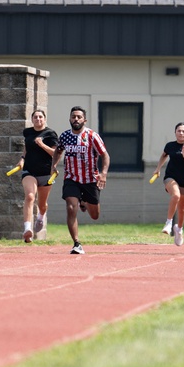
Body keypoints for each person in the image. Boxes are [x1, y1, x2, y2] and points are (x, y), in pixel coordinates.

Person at [51, 106, 109, 255]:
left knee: (95, 215)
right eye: (73, 117)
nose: (76, 119)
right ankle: (77, 243)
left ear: (84, 120)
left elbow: (105, 155)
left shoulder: (92, 136)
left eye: (79, 117)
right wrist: (54, 166)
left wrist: (103, 173)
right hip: (71, 178)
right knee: (71, 207)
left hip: (90, 179)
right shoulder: (65, 136)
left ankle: (84, 202)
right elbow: (58, 151)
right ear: (69, 119)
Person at [15, 109, 59, 243]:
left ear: (44, 119)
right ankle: (27, 229)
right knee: (29, 196)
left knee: (42, 204)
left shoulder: (50, 133)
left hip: (46, 172)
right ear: (32, 119)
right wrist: (22, 158)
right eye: (35, 117)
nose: (38, 119)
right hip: (29, 171)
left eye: (40, 117)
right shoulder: (27, 132)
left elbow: (55, 153)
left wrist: (42, 144)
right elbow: (27, 147)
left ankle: (41, 216)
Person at [152, 123, 184, 246]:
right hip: (170, 177)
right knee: (176, 196)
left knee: (182, 209)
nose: (181, 133)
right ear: (175, 132)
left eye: (183, 131)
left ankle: (179, 229)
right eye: (179, 131)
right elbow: (164, 155)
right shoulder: (170, 146)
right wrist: (158, 168)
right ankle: (168, 223)